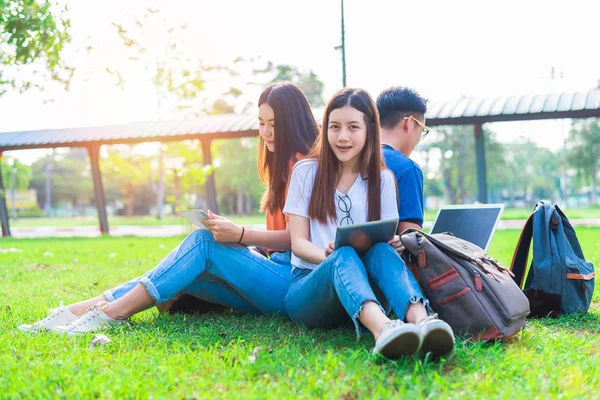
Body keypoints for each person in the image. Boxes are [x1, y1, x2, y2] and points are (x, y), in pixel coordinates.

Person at [18, 82, 319, 335]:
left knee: (201, 243)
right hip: (273, 277)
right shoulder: (280, 164)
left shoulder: (302, 165)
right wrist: (233, 236)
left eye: (274, 125)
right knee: (185, 270)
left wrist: (240, 234)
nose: (266, 132)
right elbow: (279, 238)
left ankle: (110, 313)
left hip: (291, 285)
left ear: (292, 122)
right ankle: (81, 309)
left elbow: (295, 240)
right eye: (261, 123)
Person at [282, 88, 454, 359]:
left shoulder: (383, 179)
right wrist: (327, 257)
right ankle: (383, 329)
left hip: (363, 287)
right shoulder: (306, 172)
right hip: (309, 288)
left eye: (353, 127)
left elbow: (382, 242)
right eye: (334, 127)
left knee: (382, 249)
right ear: (325, 130)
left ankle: (423, 321)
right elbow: (298, 244)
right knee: (343, 254)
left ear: (369, 130)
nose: (343, 137)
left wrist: (396, 244)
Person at [377, 86, 429, 232]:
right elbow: (410, 238)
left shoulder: (354, 161)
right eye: (422, 130)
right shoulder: (407, 169)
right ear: (410, 123)